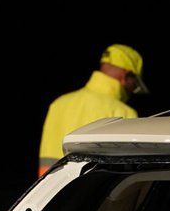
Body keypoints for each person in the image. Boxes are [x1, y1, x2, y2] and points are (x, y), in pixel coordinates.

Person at [36, 44, 147, 178]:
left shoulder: (59, 104)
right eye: (135, 85)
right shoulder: (125, 113)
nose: (133, 91)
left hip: (55, 196)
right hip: (99, 198)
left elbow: (46, 168)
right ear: (126, 76)